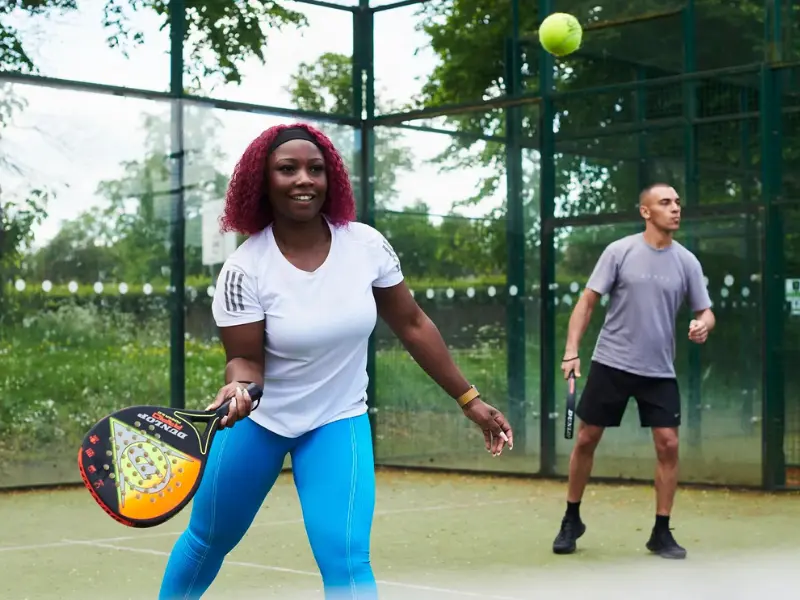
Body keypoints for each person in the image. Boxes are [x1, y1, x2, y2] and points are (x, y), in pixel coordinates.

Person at [158, 123, 514, 599]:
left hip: (337, 421)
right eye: (288, 169)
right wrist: (237, 388)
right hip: (259, 424)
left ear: (332, 180)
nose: (304, 179)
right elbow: (244, 358)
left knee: (347, 560)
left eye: (316, 169)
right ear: (264, 182)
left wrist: (469, 398)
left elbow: (411, 323)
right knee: (207, 541)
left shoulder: (365, 245)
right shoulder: (245, 268)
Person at [552, 183, 715, 560]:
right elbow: (587, 301)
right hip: (611, 363)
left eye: (677, 202)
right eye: (665, 202)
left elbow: (704, 310)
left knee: (669, 445)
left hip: (659, 370)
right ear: (646, 212)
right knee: (587, 439)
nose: (675, 208)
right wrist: (571, 351)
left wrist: (704, 324)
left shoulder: (687, 261)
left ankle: (660, 532)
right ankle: (571, 518)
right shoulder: (619, 251)